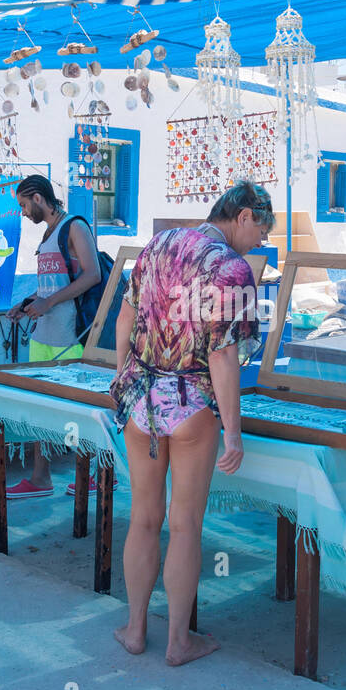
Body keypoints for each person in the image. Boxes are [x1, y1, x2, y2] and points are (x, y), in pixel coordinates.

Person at [110, 181, 272, 665]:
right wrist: (235, 432)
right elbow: (223, 358)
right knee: (184, 527)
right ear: (242, 215)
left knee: (142, 519)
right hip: (190, 405)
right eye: (261, 228)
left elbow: (126, 317)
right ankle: (179, 641)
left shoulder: (159, 244)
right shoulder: (232, 268)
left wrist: (124, 378)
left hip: (141, 400)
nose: (261, 241)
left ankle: (135, 629)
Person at [3, 174, 102, 498]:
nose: (23, 212)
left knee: (79, 407)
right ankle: (40, 477)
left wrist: (48, 302)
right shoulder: (48, 234)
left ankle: (96, 474)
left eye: (23, 204)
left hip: (69, 334)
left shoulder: (74, 226)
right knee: (39, 408)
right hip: (43, 334)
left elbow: (92, 275)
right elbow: (52, 286)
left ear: (38, 197)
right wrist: (29, 301)